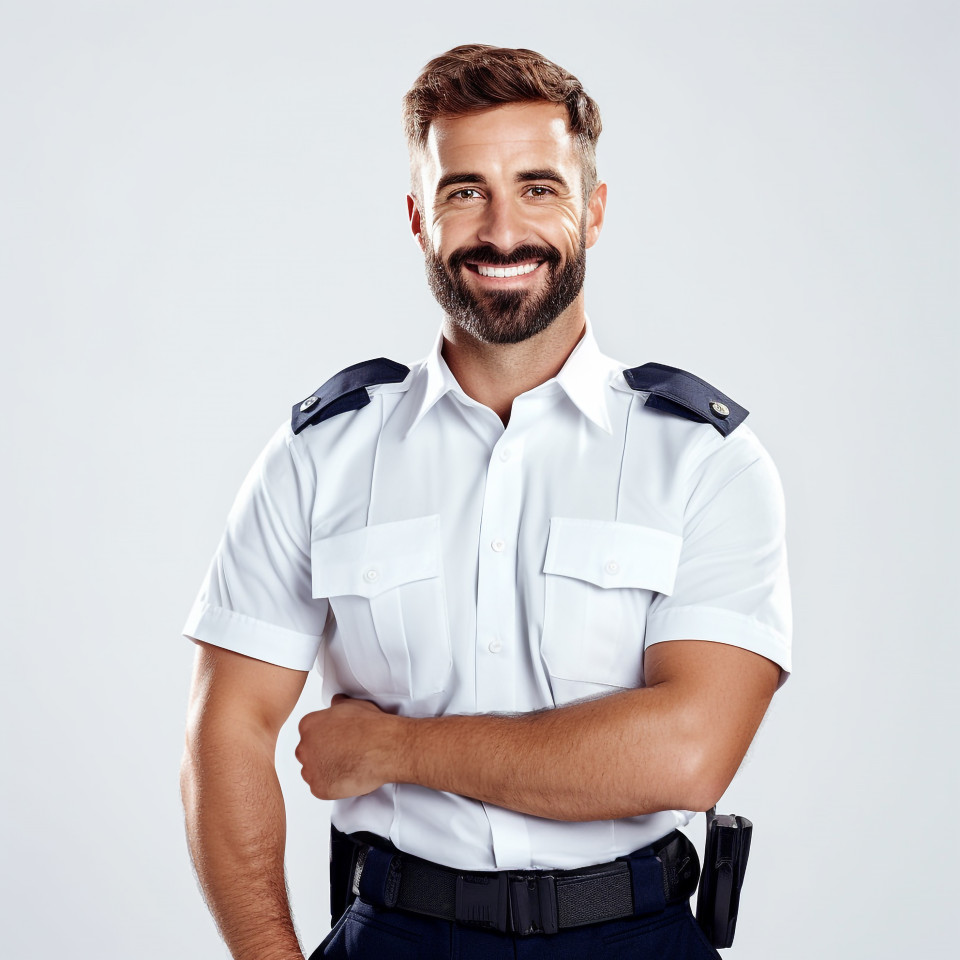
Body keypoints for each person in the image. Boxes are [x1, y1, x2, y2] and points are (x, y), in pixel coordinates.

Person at [180, 44, 792, 960]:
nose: (504, 232)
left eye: (539, 189)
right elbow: (225, 730)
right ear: (420, 217)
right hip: (394, 935)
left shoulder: (703, 459)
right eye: (467, 191)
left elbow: (686, 753)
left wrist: (393, 751)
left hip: (634, 940)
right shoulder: (321, 454)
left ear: (593, 208)